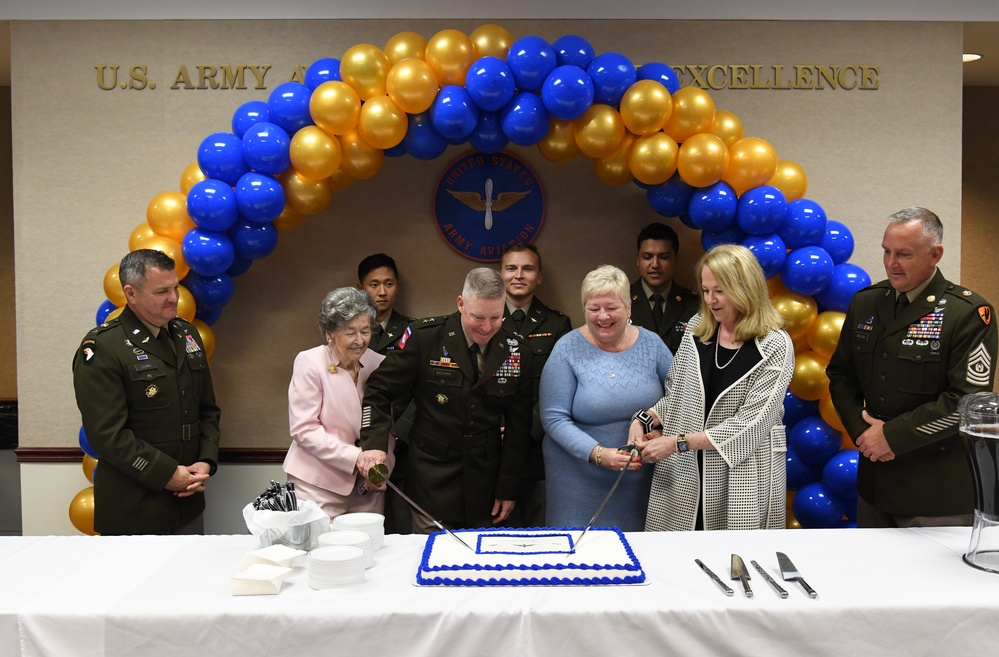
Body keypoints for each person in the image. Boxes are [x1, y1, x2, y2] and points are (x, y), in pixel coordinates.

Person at [827, 207, 997, 528]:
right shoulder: (867, 302)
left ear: (935, 254)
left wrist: (891, 437)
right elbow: (841, 375)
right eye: (886, 252)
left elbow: (965, 402)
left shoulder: (968, 313)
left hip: (934, 491)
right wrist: (864, 435)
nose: (892, 263)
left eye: (904, 254)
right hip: (875, 482)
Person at [357, 268, 534, 532]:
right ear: (461, 304)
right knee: (434, 559)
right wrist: (374, 444)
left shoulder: (517, 351)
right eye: (478, 317)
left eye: (496, 317)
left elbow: (519, 427)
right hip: (431, 476)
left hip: (485, 481)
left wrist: (508, 486)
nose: (487, 327)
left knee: (480, 564)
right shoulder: (425, 337)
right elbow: (379, 390)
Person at [634, 244, 793, 531]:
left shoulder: (775, 344)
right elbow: (678, 394)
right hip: (686, 470)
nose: (710, 300)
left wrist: (679, 443)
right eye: (706, 291)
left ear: (745, 288)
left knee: (733, 563)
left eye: (719, 291)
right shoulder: (698, 327)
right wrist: (646, 418)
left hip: (741, 474)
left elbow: (751, 424)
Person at [72, 249, 220, 535]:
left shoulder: (186, 335)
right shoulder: (104, 347)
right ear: (131, 293)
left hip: (187, 501)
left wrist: (206, 460)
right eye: (162, 291)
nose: (174, 298)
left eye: (175, 287)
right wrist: (166, 474)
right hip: (134, 507)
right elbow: (107, 435)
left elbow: (207, 409)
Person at [540, 265, 672, 532]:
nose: (602, 316)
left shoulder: (653, 345)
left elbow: (678, 396)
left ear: (628, 307)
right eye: (593, 308)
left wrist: (655, 427)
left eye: (611, 307)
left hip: (643, 477)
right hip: (578, 478)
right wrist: (598, 454)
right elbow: (554, 418)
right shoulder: (566, 349)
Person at [282, 287, 394, 522]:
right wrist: (356, 458)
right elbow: (304, 429)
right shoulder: (310, 363)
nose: (360, 340)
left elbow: (387, 425)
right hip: (318, 486)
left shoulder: (378, 363)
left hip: (368, 487)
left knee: (369, 552)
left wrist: (380, 469)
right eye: (350, 332)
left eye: (365, 331)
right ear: (329, 333)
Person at [500, 243, 572, 528]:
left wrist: (523, 431)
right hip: (492, 440)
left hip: (536, 444)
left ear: (539, 276)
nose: (519, 275)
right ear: (500, 275)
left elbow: (560, 388)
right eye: (511, 268)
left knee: (537, 527)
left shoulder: (558, 324)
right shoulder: (482, 321)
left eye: (527, 269)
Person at [357, 253, 415, 534]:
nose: (382, 292)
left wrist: (400, 430)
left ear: (398, 286)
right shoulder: (349, 332)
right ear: (362, 288)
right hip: (357, 440)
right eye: (374, 284)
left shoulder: (412, 331)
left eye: (389, 284)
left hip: (402, 442)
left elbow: (421, 390)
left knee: (400, 525)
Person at [629, 222, 699, 356]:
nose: (655, 264)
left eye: (664, 257)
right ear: (638, 259)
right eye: (647, 257)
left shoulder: (695, 306)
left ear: (676, 259)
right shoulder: (620, 303)